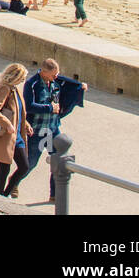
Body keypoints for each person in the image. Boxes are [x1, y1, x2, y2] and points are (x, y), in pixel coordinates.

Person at [23, 58, 87, 201]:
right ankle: (13, 184)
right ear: (44, 72)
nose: (56, 77)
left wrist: (80, 87)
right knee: (31, 162)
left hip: (53, 129)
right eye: (53, 75)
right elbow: (29, 106)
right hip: (38, 130)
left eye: (57, 74)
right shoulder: (31, 84)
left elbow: (69, 84)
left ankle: (55, 194)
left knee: (58, 159)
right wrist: (50, 108)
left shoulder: (56, 81)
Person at [0, 62, 33, 199]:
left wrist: (26, 124)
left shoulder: (14, 89)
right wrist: (7, 124)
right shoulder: (4, 88)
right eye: (22, 77)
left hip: (17, 136)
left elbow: (17, 112)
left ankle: (5, 194)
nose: (24, 80)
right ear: (16, 76)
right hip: (7, 136)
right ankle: (0, 197)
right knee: (4, 169)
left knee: (24, 167)